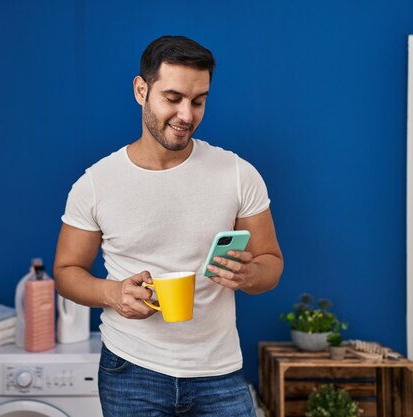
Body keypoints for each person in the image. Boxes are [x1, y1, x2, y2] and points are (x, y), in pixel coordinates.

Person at [53, 35, 283, 417]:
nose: (187, 115)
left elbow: (271, 264)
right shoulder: (96, 183)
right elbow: (65, 272)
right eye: (172, 98)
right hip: (131, 370)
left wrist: (249, 273)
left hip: (219, 372)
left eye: (198, 101)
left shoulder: (238, 174)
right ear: (141, 90)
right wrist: (113, 294)